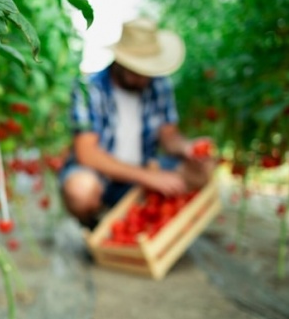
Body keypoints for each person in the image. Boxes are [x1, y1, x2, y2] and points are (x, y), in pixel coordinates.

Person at [59, 17, 215, 230]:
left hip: (143, 172)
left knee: (204, 168)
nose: (144, 78)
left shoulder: (159, 85)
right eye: (137, 70)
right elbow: (87, 153)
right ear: (121, 61)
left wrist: (186, 147)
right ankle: (96, 226)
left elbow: (169, 136)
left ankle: (149, 219)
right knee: (80, 190)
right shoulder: (88, 89)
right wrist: (150, 177)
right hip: (103, 178)